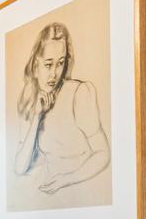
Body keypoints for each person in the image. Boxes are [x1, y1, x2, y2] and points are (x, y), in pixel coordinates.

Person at [13, 22, 110, 195]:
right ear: (36, 64)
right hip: (46, 191)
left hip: (77, 189)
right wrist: (36, 117)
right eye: (48, 64)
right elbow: (20, 167)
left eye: (60, 63)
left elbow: (103, 154)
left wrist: (65, 180)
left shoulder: (79, 93)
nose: (54, 74)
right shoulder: (29, 97)